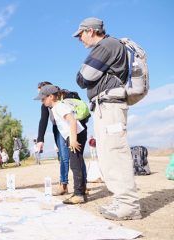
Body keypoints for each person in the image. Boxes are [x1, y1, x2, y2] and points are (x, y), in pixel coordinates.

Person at [73, 17, 141, 220]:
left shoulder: (106, 45)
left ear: (91, 31)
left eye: (81, 34)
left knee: (114, 152)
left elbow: (83, 78)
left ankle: (128, 204)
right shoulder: (108, 45)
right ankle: (122, 201)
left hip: (110, 105)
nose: (80, 39)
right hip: (105, 105)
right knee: (108, 153)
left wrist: (84, 75)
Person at [35, 85, 87, 204]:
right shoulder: (55, 108)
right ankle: (81, 192)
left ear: (51, 97)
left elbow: (72, 120)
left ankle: (79, 194)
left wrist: (73, 139)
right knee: (77, 163)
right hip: (74, 135)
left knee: (75, 164)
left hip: (75, 135)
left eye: (43, 99)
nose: (42, 102)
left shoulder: (59, 107)